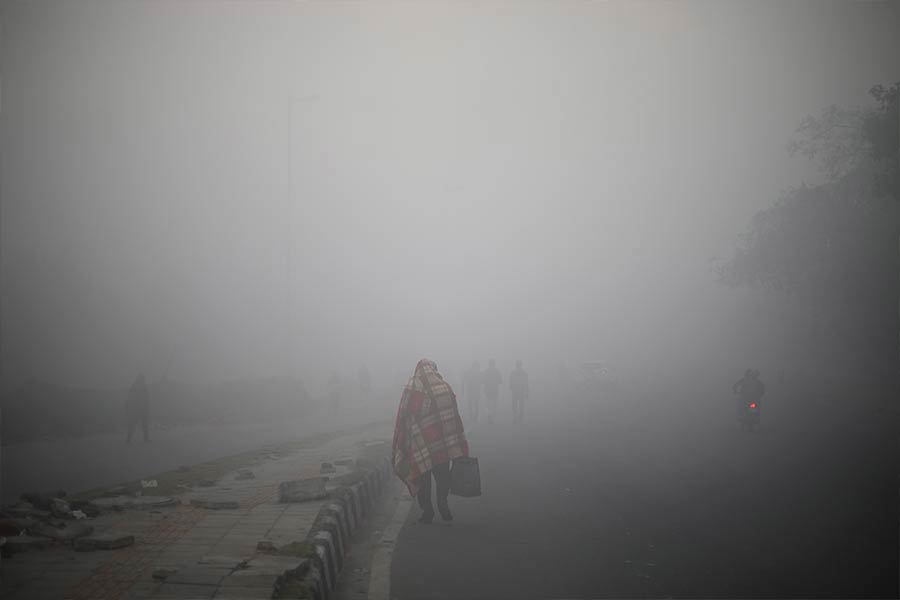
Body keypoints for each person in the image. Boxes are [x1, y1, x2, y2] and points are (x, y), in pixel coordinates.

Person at [392, 359, 469, 524]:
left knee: (422, 477)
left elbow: (404, 413)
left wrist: (403, 438)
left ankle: (427, 510)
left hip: (420, 444)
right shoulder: (444, 387)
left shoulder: (412, 386)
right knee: (443, 476)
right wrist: (457, 441)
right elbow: (454, 416)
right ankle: (443, 502)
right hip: (442, 443)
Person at [126, 373, 150, 443]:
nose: (144, 380)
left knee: (143, 424)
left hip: (141, 408)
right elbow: (134, 398)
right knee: (135, 424)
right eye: (143, 378)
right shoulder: (138, 386)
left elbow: (146, 398)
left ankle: (145, 438)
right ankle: (129, 439)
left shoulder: (139, 386)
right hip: (138, 409)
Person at [482, 358, 502, 424]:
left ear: (489, 364)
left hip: (487, 390)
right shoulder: (497, 371)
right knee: (494, 404)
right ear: (494, 364)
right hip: (495, 390)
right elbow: (500, 381)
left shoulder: (486, 371)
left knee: (487, 404)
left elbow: (483, 380)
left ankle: (489, 415)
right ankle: (492, 416)